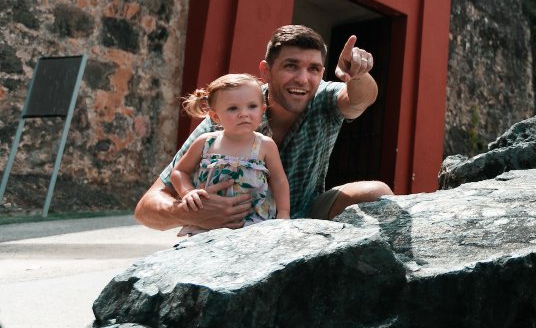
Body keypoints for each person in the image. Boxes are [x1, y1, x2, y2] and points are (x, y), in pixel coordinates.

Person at [134, 24, 391, 231]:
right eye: (291, 66)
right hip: (233, 226)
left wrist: (358, 75)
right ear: (266, 71)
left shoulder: (324, 99)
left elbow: (361, 99)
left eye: (313, 69)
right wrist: (190, 211)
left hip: (301, 216)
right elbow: (147, 207)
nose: (303, 79)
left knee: (376, 193)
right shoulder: (227, 116)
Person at [171, 73, 289, 236]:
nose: (244, 113)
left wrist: (283, 213)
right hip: (208, 223)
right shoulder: (206, 143)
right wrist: (188, 192)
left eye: (252, 106)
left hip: (253, 223)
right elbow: (179, 172)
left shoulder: (264, 145)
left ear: (262, 109)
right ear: (215, 116)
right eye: (233, 108)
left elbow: (279, 180)